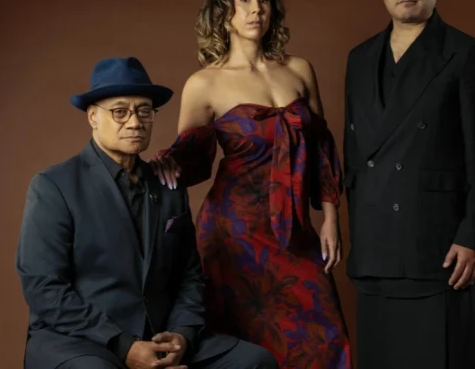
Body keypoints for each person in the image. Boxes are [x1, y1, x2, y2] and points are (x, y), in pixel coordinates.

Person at [16, 56, 278, 369]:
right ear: (92, 117)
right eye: (120, 111)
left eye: (144, 111)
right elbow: (44, 288)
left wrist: (182, 335)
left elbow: (190, 274)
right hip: (81, 340)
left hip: (159, 337)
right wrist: (123, 345)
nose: (135, 122)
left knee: (255, 362)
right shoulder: (53, 186)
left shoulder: (168, 183)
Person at [149, 0, 351, 368]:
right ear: (225, 11)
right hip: (233, 235)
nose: (256, 9)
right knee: (245, 346)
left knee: (324, 339)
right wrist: (161, 166)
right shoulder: (204, 83)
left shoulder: (299, 69)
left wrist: (330, 218)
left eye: (264, 0)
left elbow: (322, 149)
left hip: (295, 229)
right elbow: (190, 158)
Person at [341, 0, 475, 368]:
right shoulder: (359, 58)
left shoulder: (467, 54)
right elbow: (355, 155)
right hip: (375, 250)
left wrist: (474, 236)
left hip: (441, 249)